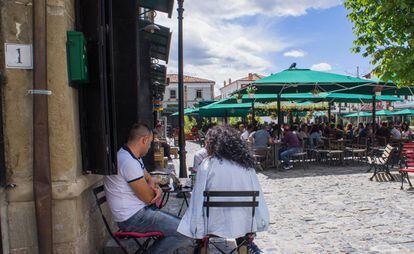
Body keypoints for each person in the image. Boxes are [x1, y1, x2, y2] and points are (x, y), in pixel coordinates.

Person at [178, 126, 269, 253]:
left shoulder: (207, 164)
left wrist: (195, 226)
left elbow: (197, 198)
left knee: (204, 213)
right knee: (239, 215)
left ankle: (202, 246)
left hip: (213, 224)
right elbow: (257, 196)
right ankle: (243, 245)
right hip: (243, 223)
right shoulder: (247, 166)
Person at [104, 123, 193, 254]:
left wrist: (151, 182)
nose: (150, 146)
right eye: (150, 142)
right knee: (186, 231)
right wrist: (158, 190)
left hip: (137, 213)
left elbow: (147, 176)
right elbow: (149, 198)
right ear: (144, 140)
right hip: (133, 219)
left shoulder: (130, 155)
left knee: (182, 226)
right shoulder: (128, 162)